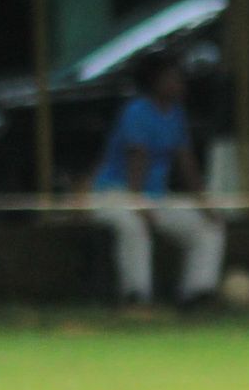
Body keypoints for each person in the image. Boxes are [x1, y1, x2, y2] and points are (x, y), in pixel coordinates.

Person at [88, 56, 224, 306]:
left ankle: (197, 294)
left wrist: (205, 203)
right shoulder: (137, 112)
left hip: (155, 197)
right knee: (134, 227)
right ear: (155, 82)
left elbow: (187, 162)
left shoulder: (176, 114)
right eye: (173, 78)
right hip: (115, 194)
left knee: (208, 228)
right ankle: (137, 296)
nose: (180, 83)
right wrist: (138, 204)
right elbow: (136, 160)